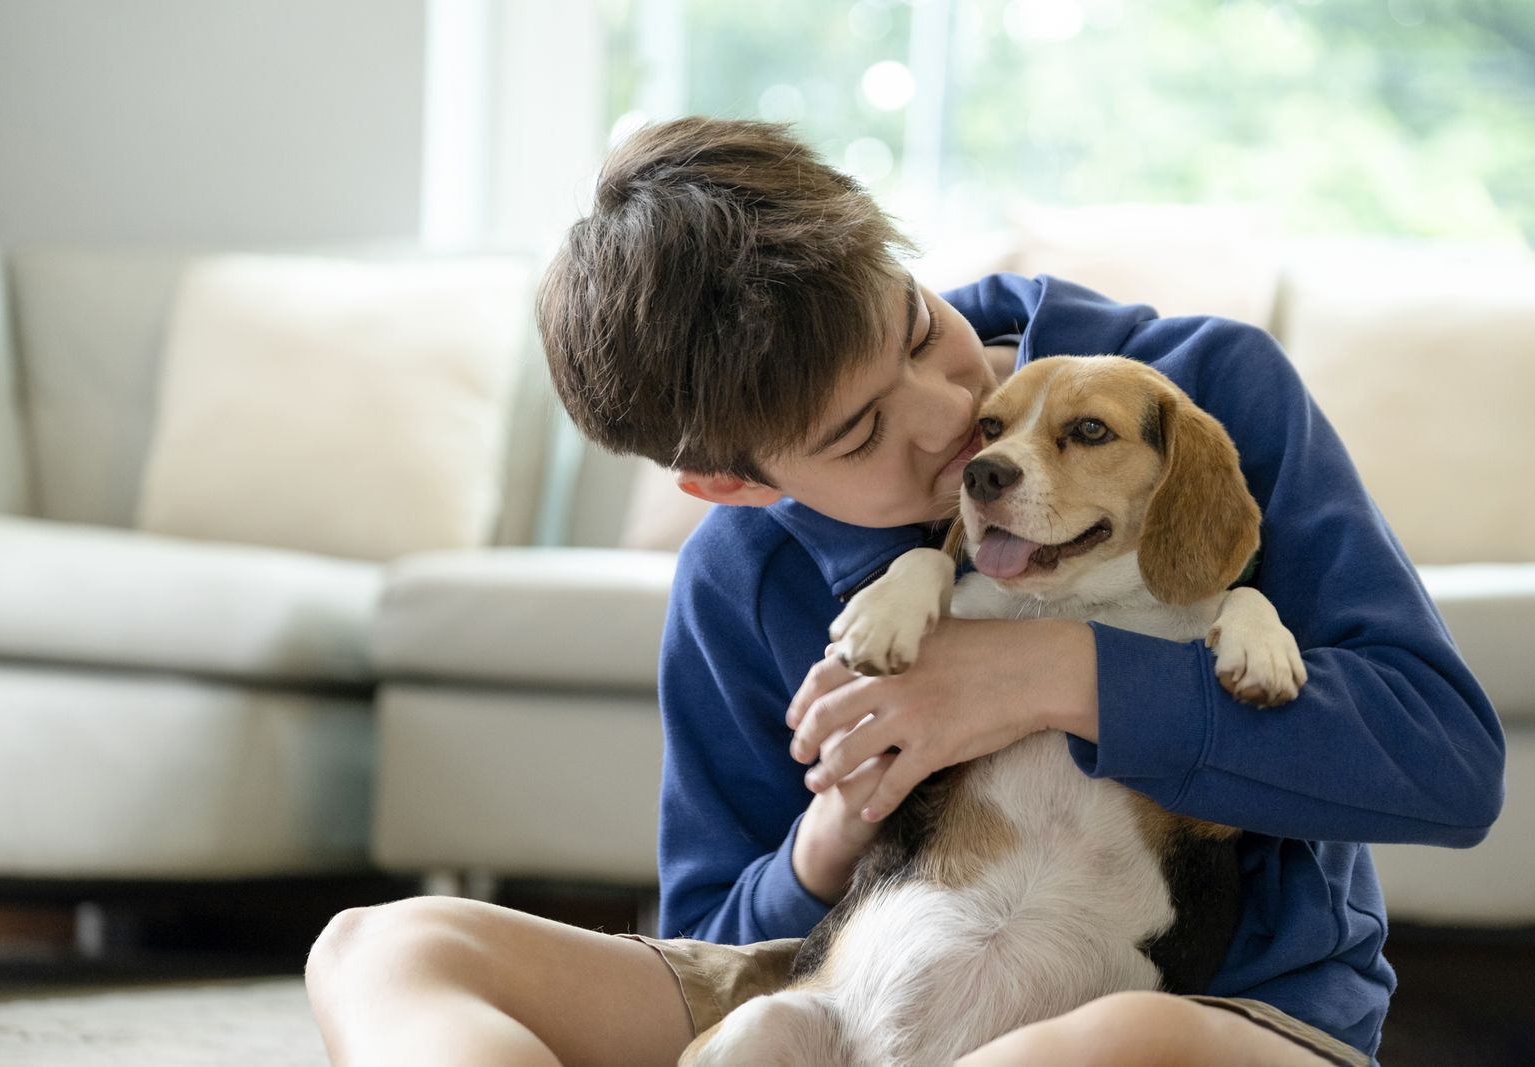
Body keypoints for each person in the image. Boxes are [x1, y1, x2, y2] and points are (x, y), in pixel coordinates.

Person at [304, 117, 1504, 1067]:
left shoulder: (1204, 387)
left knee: (1109, 1049)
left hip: (1202, 1006)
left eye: (921, 332)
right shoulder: (738, 576)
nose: (950, 426)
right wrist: (836, 821)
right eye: (864, 428)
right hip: (845, 984)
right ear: (733, 481)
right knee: (378, 942)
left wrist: (1048, 675)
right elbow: (722, 935)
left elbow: (1448, 766)